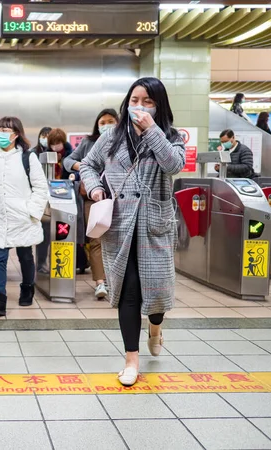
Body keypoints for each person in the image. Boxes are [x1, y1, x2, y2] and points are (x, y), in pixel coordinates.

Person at [80, 77, 185, 387]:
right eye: (134, 100)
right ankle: (131, 360)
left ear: (159, 106)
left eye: (147, 101)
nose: (139, 107)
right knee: (128, 292)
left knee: (156, 299)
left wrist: (152, 130)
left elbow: (173, 164)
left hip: (154, 227)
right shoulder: (111, 136)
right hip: (120, 226)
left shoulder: (170, 136)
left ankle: (155, 326)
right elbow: (87, 164)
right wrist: (96, 187)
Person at [0, 117, 48, 316]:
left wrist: (31, 210)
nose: (2, 134)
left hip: (22, 217)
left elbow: (41, 187)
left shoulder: (27, 158)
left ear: (16, 134)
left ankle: (27, 288)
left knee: (25, 256)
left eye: (6, 130)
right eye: (0, 130)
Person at [63, 109, 119, 300]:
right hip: (93, 199)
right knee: (96, 240)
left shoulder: (125, 142)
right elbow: (68, 160)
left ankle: (116, 281)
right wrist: (85, 167)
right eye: (102, 122)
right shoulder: (88, 142)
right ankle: (100, 283)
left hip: (120, 198)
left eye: (111, 121)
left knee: (119, 239)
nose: (106, 125)